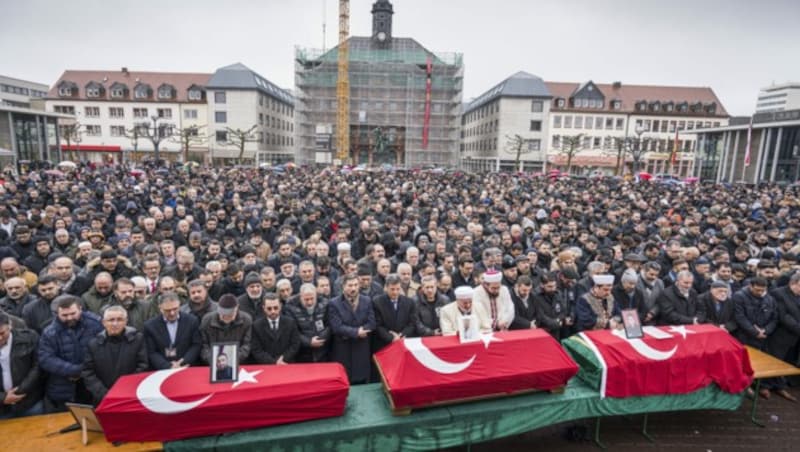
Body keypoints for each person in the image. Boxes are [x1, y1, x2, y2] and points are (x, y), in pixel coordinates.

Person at [38, 295, 103, 412]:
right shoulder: (49, 332)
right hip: (63, 384)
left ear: (80, 309)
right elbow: (46, 358)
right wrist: (74, 370)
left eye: (73, 314)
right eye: (64, 315)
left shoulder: (95, 324)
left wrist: (85, 370)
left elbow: (103, 349)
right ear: (57, 314)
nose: (69, 318)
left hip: (92, 382)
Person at [81, 305, 148, 404]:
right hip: (103, 399)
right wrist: (104, 394)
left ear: (126, 321)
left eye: (119, 320)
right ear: (104, 323)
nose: (115, 323)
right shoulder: (93, 344)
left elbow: (143, 366)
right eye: (111, 320)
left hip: (131, 396)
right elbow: (88, 372)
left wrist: (125, 390)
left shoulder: (137, 339)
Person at [328, 274, 375, 384]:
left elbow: (372, 322)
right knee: (345, 380)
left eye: (355, 285)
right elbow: (336, 326)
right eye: (350, 285)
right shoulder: (334, 303)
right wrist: (356, 332)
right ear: (343, 286)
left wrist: (363, 330)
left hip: (361, 347)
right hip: (343, 349)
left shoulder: (367, 300)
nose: (353, 288)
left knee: (362, 379)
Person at [0, 312, 44, 419]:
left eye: (2, 333)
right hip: (2, 408)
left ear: (10, 325)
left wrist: (20, 390)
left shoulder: (29, 338)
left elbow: (38, 366)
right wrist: (3, 398)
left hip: (29, 402)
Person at [143, 292, 201, 369]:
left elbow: (196, 345)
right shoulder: (150, 326)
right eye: (167, 310)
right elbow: (151, 352)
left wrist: (183, 362)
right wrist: (168, 366)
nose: (172, 313)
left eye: (175, 309)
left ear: (179, 305)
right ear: (160, 308)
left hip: (187, 367)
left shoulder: (192, 321)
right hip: (162, 370)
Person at [767, 273, 800, 402]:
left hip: (795, 338)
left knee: (788, 361)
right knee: (774, 360)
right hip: (780, 335)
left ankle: (780, 385)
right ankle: (765, 386)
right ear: (794, 283)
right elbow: (783, 316)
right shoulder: (778, 294)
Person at [200, 294, 252, 365]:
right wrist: (213, 360)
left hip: (239, 362)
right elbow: (204, 345)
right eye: (223, 314)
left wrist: (232, 360)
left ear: (236, 309)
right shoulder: (207, 320)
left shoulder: (246, 320)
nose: (226, 317)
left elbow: (246, 345)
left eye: (230, 315)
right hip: (213, 363)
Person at [285, 283, 330, 363]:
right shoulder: (290, 307)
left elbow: (329, 325)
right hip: (302, 352)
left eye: (312, 299)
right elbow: (293, 330)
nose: (309, 302)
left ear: (316, 295)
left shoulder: (325, 303)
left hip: (322, 350)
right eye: (306, 299)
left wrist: (320, 339)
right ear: (300, 297)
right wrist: (308, 342)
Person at [372, 273, 417, 353]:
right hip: (384, 345)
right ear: (386, 287)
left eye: (398, 289)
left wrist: (402, 335)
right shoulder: (377, 302)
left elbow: (412, 323)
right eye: (392, 289)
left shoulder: (409, 302)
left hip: (403, 343)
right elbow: (377, 325)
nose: (395, 292)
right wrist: (391, 337)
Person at [251, 293, 300, 365]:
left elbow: (295, 344)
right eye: (269, 308)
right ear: (264, 308)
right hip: (266, 365)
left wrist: (283, 358)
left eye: (275, 308)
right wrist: (273, 362)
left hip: (286, 363)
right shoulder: (256, 325)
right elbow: (256, 349)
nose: (273, 311)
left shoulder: (290, 322)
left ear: (280, 306)